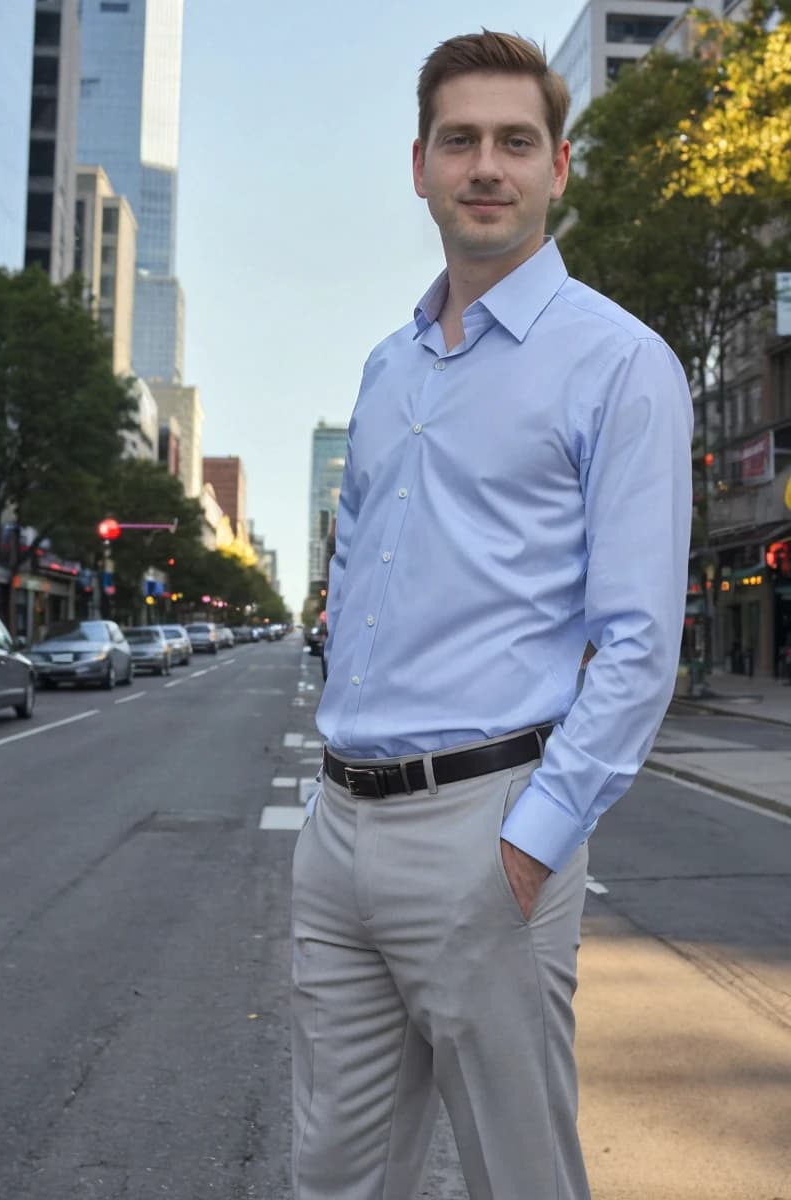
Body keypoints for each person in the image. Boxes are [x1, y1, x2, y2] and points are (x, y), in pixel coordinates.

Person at [291, 29, 692, 1200]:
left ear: (556, 168)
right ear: (416, 164)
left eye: (513, 142)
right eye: (458, 140)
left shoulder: (618, 364)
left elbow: (636, 644)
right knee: (331, 1174)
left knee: (517, 1177)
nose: (484, 166)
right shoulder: (386, 369)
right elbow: (357, 561)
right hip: (337, 831)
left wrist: (530, 843)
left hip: (484, 829)